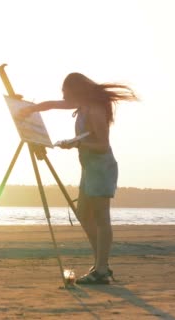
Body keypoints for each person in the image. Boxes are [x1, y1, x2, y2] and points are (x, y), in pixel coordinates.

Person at [17, 72, 138, 284]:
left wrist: (76, 143)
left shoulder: (95, 109)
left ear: (76, 91)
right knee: (82, 214)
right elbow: (52, 104)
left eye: (66, 92)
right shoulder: (82, 105)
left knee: (101, 218)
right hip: (89, 167)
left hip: (101, 167)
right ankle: (102, 263)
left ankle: (101, 269)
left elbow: (102, 145)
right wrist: (30, 109)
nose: (64, 97)